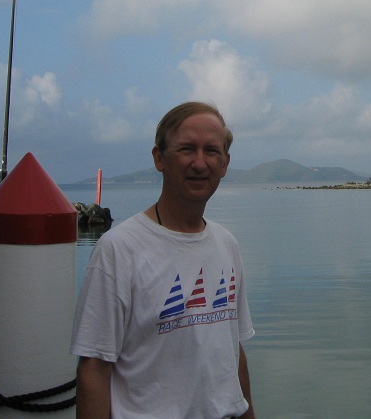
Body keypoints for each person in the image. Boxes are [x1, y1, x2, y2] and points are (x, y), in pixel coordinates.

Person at [71, 102, 255, 418]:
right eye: (187, 149)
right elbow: (94, 369)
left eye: (212, 151)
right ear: (159, 158)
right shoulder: (119, 249)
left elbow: (232, 351)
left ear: (225, 164)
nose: (200, 163)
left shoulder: (227, 244)